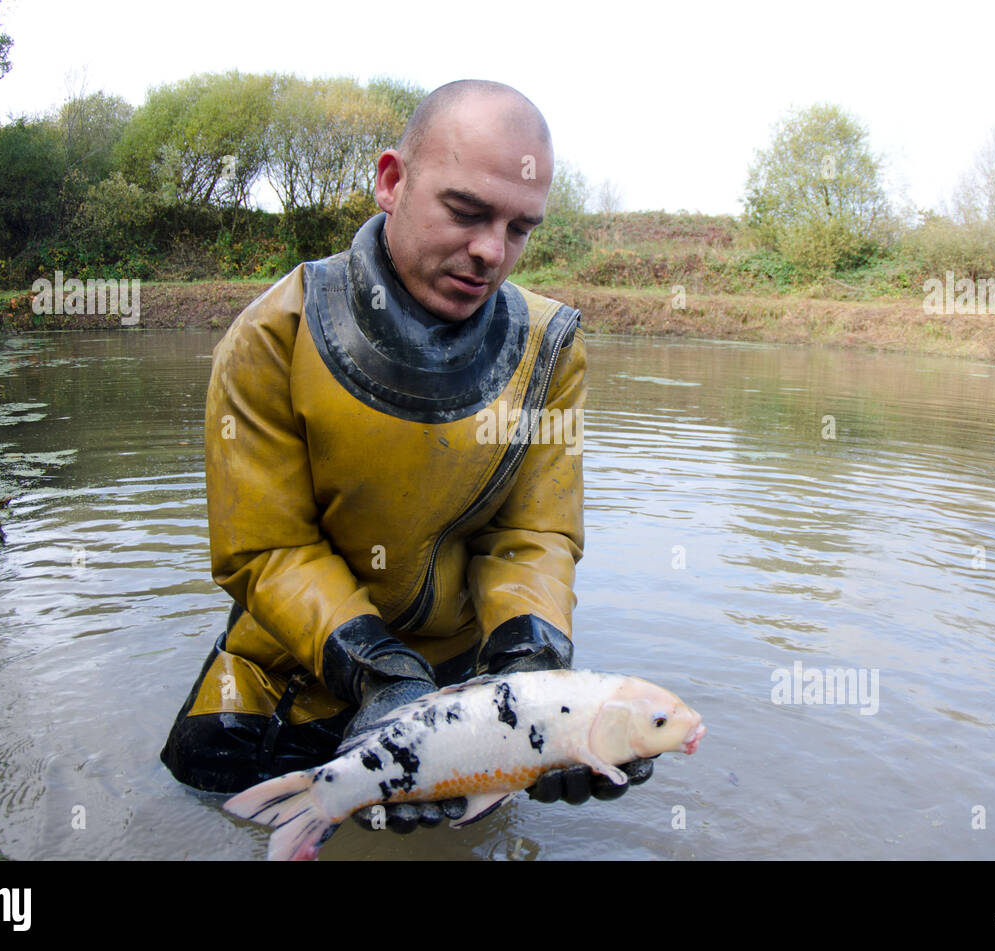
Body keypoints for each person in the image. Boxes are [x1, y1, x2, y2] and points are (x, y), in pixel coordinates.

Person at [160, 79, 653, 834]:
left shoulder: (551, 351)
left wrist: (532, 682)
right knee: (205, 811)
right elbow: (265, 548)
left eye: (520, 227)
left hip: (457, 691)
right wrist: (381, 673)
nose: (492, 250)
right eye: (465, 211)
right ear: (391, 181)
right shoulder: (271, 336)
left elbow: (533, 536)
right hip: (283, 673)